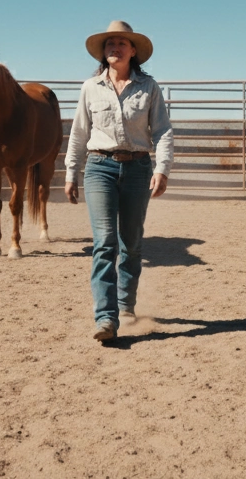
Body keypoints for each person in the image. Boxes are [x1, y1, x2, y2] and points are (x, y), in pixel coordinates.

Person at [65, 20, 173, 343]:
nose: (115, 47)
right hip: (99, 167)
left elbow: (163, 131)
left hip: (138, 168)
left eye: (121, 43)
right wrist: (72, 171)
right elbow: (79, 133)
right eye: (110, 44)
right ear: (104, 52)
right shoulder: (90, 88)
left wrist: (162, 168)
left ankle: (126, 304)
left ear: (133, 51)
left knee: (132, 241)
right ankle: (106, 318)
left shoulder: (149, 88)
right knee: (105, 241)